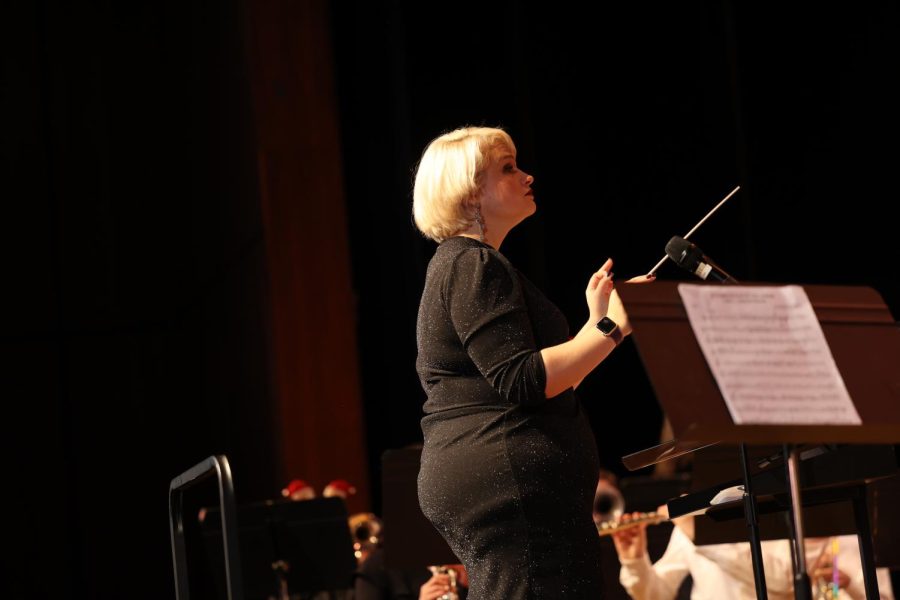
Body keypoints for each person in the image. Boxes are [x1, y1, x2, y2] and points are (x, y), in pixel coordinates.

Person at [412, 125, 652, 599]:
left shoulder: (464, 264)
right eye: (508, 168)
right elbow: (523, 380)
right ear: (468, 190)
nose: (527, 175)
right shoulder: (471, 264)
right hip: (512, 489)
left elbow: (542, 377)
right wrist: (615, 328)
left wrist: (594, 325)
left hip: (511, 485)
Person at [611, 509, 895, 600]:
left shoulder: (847, 531)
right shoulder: (697, 521)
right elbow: (656, 593)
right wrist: (634, 560)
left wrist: (850, 588)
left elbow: (781, 579)